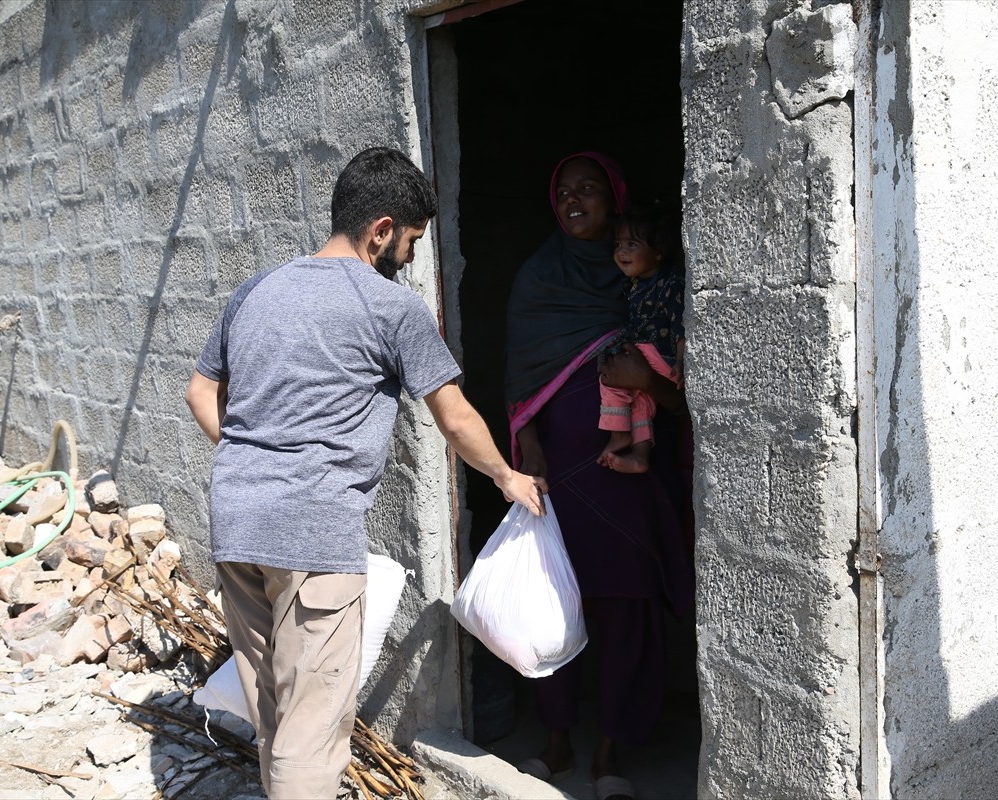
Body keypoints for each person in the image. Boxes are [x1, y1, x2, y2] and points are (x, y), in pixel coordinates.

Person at [185, 146, 546, 800]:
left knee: (276, 709)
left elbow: (199, 392)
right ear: (380, 230)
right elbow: (457, 419)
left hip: (236, 524)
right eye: (409, 242)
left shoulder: (257, 290)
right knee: (315, 730)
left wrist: (248, 457)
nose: (408, 258)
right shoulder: (390, 308)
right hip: (313, 537)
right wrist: (506, 477)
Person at [506, 152, 694, 800]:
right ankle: (555, 739)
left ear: (616, 203)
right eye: (564, 189)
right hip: (562, 481)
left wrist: (650, 383)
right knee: (554, 603)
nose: (575, 198)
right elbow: (518, 386)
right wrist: (529, 454)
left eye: (590, 188)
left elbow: (680, 389)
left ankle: (610, 750)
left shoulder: (648, 281)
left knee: (625, 612)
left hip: (628, 477)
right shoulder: (537, 282)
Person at [596, 206, 686, 475]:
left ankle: (617, 432)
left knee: (610, 371)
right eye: (618, 244)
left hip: (660, 356)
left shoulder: (670, 283)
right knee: (641, 403)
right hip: (654, 360)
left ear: (658, 251)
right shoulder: (634, 285)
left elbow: (680, 323)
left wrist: (681, 361)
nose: (621, 251)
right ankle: (639, 455)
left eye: (632, 244)